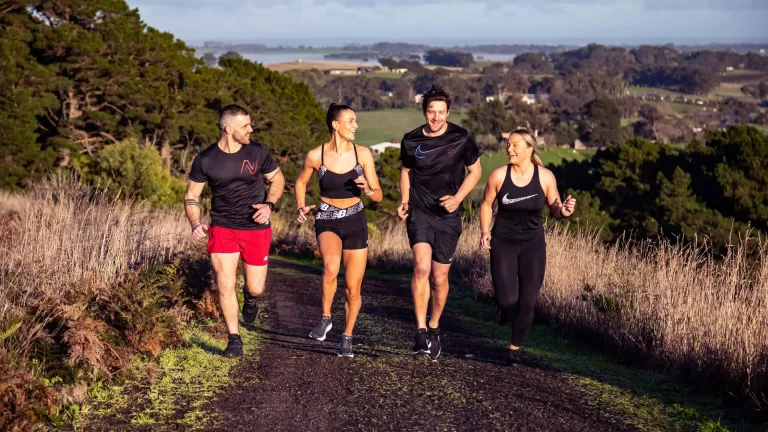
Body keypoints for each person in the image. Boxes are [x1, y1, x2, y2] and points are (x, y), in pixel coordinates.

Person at [184, 104, 285, 358]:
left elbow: (278, 179)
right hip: (223, 227)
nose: (251, 129)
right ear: (228, 129)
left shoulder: (258, 151)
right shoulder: (206, 159)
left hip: (255, 227)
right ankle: (234, 339)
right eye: (245, 126)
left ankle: (250, 300)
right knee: (224, 283)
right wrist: (195, 223)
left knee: (255, 288)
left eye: (250, 125)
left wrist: (269, 205)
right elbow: (191, 196)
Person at [479, 126, 576, 365]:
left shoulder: (545, 177)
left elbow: (555, 208)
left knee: (528, 301)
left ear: (529, 148)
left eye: (514, 145)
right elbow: (485, 205)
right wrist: (484, 232)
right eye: (508, 145)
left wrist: (563, 211)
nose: (508, 149)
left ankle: (514, 348)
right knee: (507, 299)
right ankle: (502, 309)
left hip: (533, 244)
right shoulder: (499, 176)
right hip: (503, 242)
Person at [398, 85, 482, 359]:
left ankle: (434, 327)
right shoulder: (410, 140)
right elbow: (406, 172)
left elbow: (475, 171)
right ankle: (420, 331)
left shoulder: (462, 137)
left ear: (448, 112)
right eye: (431, 112)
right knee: (421, 267)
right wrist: (405, 200)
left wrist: (458, 198)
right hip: (420, 211)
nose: (436, 117)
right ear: (424, 112)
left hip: (448, 216)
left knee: (439, 276)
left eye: (441, 112)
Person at [295, 103, 382, 358]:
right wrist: (301, 206)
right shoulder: (316, 155)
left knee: (353, 288)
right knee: (331, 267)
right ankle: (325, 318)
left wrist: (367, 188)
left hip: (356, 219)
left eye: (356, 121)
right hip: (327, 217)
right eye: (351, 121)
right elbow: (300, 182)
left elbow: (378, 196)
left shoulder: (362, 154)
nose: (356, 125)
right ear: (336, 124)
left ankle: (347, 337)